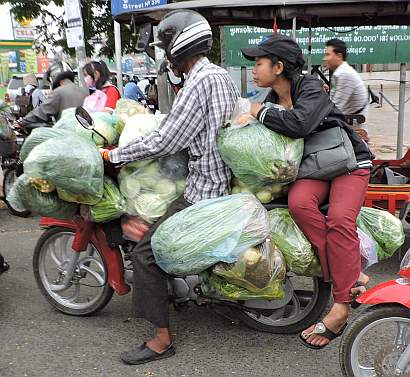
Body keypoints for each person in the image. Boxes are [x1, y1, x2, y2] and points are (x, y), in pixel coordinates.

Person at [100, 9, 239, 364]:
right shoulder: (219, 75)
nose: (166, 59)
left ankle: (161, 339)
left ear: (179, 48)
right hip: (221, 180)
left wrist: (116, 155)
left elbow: (166, 140)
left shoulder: (198, 82)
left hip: (204, 191)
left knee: (147, 253)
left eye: (166, 50)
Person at [242, 34, 373, 349]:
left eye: (259, 62)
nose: (254, 69)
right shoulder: (272, 100)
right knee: (299, 204)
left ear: (279, 66)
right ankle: (350, 274)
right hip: (314, 167)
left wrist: (257, 112)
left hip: (349, 162)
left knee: (340, 218)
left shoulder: (310, 86)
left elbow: (300, 124)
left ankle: (341, 307)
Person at [15, 62, 88, 129]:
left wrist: (22, 122)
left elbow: (43, 110)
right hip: (84, 131)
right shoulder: (84, 91)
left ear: (53, 78)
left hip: (67, 133)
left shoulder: (58, 92)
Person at [324, 38, 369, 141]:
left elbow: (336, 107)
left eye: (328, 55)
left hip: (353, 129)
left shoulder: (344, 74)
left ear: (339, 56)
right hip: (348, 123)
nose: (325, 58)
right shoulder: (341, 72)